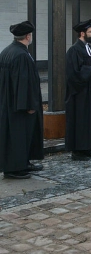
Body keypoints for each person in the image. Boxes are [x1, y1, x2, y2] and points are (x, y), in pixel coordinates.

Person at [0, 21, 44, 179]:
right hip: (19, 105)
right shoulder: (21, 55)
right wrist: (29, 105)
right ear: (27, 36)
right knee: (18, 135)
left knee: (16, 135)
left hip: (8, 102)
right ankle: (15, 168)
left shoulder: (7, 51)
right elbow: (23, 83)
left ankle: (23, 163)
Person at [65, 19, 91, 161]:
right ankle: (78, 151)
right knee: (80, 119)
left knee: (90, 118)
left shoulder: (90, 49)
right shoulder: (74, 50)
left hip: (90, 89)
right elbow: (73, 73)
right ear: (82, 33)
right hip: (79, 92)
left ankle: (88, 147)